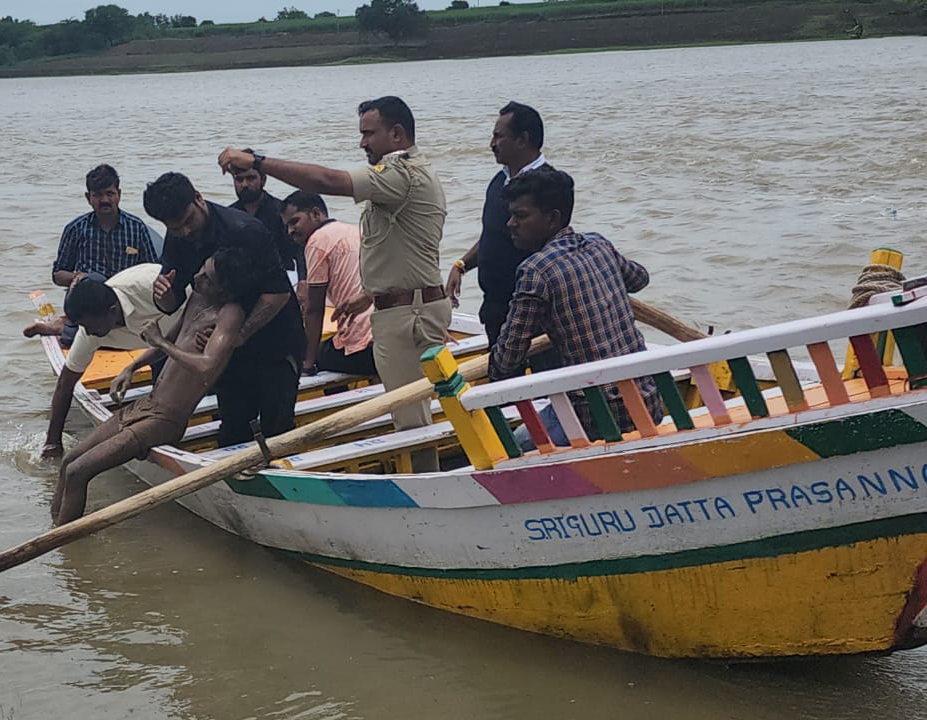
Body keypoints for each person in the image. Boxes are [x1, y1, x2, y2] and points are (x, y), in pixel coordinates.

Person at [217, 96, 450, 472]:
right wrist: (366, 297)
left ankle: (427, 489)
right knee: (417, 413)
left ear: (397, 133)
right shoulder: (414, 174)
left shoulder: (399, 174)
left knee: (410, 419)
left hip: (407, 316)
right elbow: (404, 250)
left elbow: (329, 181)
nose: (362, 144)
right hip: (412, 304)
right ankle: (430, 479)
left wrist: (258, 162)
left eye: (368, 134)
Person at [52, 248, 262, 524]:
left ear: (224, 288)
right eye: (201, 271)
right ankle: (54, 530)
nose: (197, 279)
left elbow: (207, 365)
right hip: (147, 403)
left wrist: (159, 341)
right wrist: (132, 367)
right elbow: (171, 339)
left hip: (166, 419)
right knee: (68, 463)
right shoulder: (197, 300)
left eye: (207, 278)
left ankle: (64, 549)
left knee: (79, 471)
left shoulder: (229, 314)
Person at [488, 167, 662, 451]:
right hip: (648, 399)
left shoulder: (536, 271)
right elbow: (639, 279)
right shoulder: (598, 244)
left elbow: (506, 361)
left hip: (599, 416)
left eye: (520, 216)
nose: (510, 224)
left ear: (552, 219)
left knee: (514, 444)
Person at [144, 172, 305, 447]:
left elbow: (277, 294)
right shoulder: (177, 238)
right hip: (225, 349)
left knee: (277, 430)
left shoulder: (246, 231)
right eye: (174, 228)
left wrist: (241, 335)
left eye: (188, 221)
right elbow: (172, 302)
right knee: (233, 427)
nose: (185, 232)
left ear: (199, 198)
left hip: (275, 340)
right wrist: (163, 295)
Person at [33, 263, 181, 460]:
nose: (88, 332)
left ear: (112, 311)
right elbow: (65, 384)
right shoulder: (90, 330)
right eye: (82, 327)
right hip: (165, 342)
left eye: (89, 327)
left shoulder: (149, 287)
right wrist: (53, 441)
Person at [446, 102, 549, 346]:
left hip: (534, 312)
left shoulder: (547, 186)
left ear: (523, 139)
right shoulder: (498, 182)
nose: (492, 144)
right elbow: (493, 235)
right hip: (496, 307)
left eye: (499, 136)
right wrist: (462, 265)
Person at [49, 164, 161, 346]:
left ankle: (63, 326)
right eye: (98, 195)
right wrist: (78, 277)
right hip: (89, 305)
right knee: (94, 280)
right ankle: (67, 327)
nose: (105, 200)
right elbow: (57, 275)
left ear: (119, 194)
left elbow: (152, 271)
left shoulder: (136, 227)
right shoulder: (76, 229)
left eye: (110, 194)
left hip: (123, 304)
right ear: (88, 197)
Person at [280, 190, 376, 377]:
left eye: (294, 222)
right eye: (287, 226)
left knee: (306, 354)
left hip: (363, 348)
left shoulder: (317, 242)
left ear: (316, 214)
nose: (290, 231)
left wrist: (308, 364)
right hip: (385, 336)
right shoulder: (356, 231)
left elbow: (314, 310)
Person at [229, 148, 307, 279]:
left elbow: (300, 250)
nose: (245, 184)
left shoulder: (282, 213)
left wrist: (303, 281)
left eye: (251, 178)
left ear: (263, 180)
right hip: (242, 282)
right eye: (239, 180)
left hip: (282, 279)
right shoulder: (229, 215)